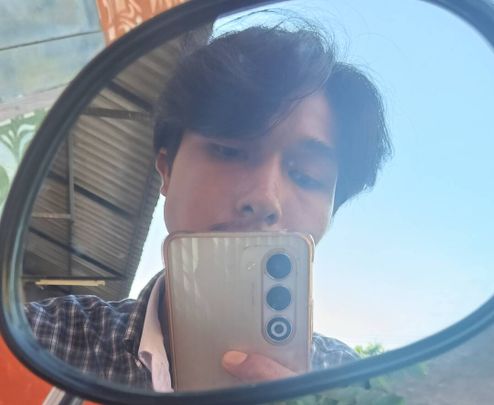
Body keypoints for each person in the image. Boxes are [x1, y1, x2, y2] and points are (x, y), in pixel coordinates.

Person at [25, 25, 391, 391]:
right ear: (166, 170)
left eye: (307, 176)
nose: (265, 198)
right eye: (229, 151)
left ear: (330, 213)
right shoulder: (43, 337)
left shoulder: (352, 384)